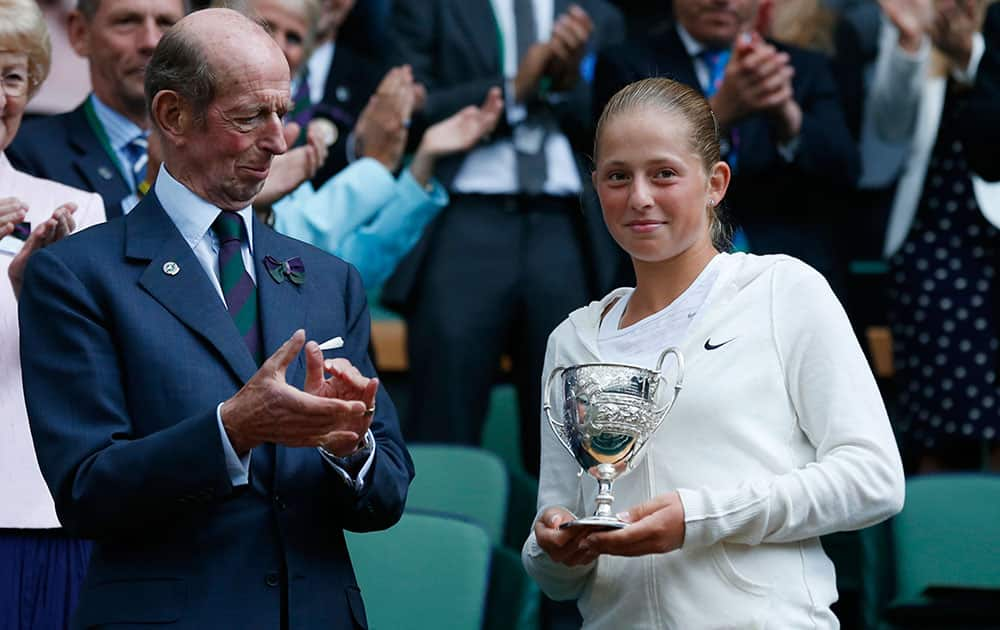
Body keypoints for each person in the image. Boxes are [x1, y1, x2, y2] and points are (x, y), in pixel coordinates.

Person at [19, 9, 412, 629]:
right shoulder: (76, 276)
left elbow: (387, 493)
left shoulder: (330, 279)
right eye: (251, 115)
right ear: (174, 115)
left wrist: (350, 447)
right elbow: (87, 491)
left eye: (283, 112)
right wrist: (230, 430)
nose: (279, 141)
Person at [522, 77, 904, 628]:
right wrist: (552, 547)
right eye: (617, 177)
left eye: (664, 174)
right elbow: (558, 572)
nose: (640, 197)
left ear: (715, 183)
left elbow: (874, 479)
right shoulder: (572, 339)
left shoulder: (782, 290)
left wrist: (698, 517)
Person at [384, 0, 626, 476]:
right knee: (445, 408)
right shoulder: (427, 8)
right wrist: (513, 91)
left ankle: (562, 544)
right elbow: (406, 111)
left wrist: (565, 83)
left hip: (565, 225)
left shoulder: (599, 13)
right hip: (464, 217)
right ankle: (444, 539)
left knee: (572, 417)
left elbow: (617, 129)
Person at [593, 0, 860, 289]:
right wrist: (718, 113)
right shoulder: (629, 64)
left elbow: (847, 172)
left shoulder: (798, 68)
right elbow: (621, 163)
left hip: (786, 272)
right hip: (664, 279)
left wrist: (788, 116)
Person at [0, 1, 106, 627]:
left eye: (11, 77)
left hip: (42, 516)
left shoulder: (73, 209)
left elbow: (96, 378)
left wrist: (42, 297)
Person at [872, 0, 1000, 472]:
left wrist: (970, 54)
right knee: (941, 414)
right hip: (931, 235)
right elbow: (888, 125)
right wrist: (909, 45)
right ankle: (935, 533)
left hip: (991, 232)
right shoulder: (915, 15)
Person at [6, 0, 186, 219]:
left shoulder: (215, 147)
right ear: (81, 33)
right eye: (127, 22)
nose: (150, 41)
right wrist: (153, 189)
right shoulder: (25, 152)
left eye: (166, 23)